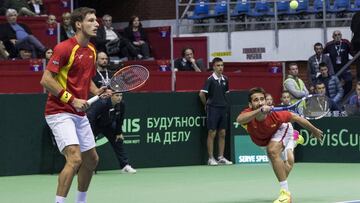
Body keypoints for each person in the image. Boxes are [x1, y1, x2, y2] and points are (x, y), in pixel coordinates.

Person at [40, 7, 111, 203]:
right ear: (79, 24)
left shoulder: (92, 50)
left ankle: (81, 201)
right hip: (59, 112)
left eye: (96, 21)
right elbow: (46, 80)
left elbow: (85, 79)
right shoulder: (63, 48)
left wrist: (97, 92)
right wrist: (72, 100)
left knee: (92, 160)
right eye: (91, 20)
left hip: (79, 114)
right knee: (74, 158)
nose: (96, 24)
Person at [236, 87, 323, 203]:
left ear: (266, 101)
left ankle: (285, 194)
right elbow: (239, 119)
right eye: (256, 100)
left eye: (262, 99)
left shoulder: (277, 115)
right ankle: (294, 140)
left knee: (272, 151)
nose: (260, 102)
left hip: (282, 130)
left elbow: (296, 117)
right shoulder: (247, 114)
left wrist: (314, 130)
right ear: (250, 104)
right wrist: (260, 111)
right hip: (265, 141)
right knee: (284, 171)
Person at [87, 93, 137, 174]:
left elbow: (120, 119)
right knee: (89, 146)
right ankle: (89, 168)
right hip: (95, 125)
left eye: (121, 96)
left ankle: (125, 166)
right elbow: (90, 117)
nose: (119, 98)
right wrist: (90, 133)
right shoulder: (102, 104)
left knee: (118, 140)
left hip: (108, 125)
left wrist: (118, 132)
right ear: (111, 96)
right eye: (117, 95)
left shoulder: (121, 104)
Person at [199, 57, 232, 166]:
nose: (220, 67)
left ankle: (221, 157)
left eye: (222, 65)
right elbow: (202, 94)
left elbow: (226, 93)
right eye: (218, 65)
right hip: (212, 109)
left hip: (223, 109)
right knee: (212, 132)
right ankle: (210, 158)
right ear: (213, 67)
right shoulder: (210, 80)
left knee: (222, 133)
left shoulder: (225, 79)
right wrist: (206, 105)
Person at [324, 30, 353, 97]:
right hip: (334, 69)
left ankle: (344, 97)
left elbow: (352, 52)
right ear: (333, 37)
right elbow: (323, 55)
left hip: (346, 68)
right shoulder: (329, 45)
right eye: (335, 35)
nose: (337, 36)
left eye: (339, 34)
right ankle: (339, 99)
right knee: (336, 85)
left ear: (341, 35)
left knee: (349, 82)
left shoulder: (346, 43)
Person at [351, 11, 360, 81]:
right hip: (357, 42)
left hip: (356, 42)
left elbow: (352, 28)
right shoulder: (356, 15)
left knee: (358, 62)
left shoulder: (356, 14)